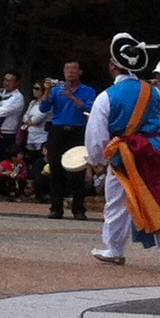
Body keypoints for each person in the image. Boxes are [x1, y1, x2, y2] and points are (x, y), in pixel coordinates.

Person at [88, 33, 160, 272]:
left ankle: (115, 249)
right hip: (152, 152)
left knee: (117, 203)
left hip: (123, 154)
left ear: (113, 65)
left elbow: (96, 134)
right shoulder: (155, 93)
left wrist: (97, 158)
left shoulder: (106, 97)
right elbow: (159, 124)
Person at [42, 58, 96, 221]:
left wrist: (71, 96)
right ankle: (56, 207)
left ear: (80, 72)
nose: (69, 72)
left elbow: (89, 107)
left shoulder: (88, 90)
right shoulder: (57, 90)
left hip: (77, 131)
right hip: (58, 130)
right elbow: (44, 108)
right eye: (67, 69)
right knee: (55, 169)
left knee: (77, 172)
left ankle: (78, 208)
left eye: (73, 69)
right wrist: (47, 91)